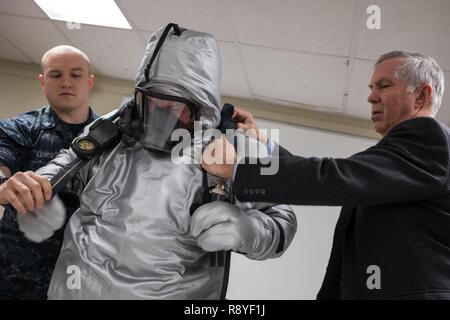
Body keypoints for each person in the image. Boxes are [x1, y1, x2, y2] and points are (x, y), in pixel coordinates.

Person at [25, 24, 296, 299]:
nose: (161, 112)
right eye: (153, 101)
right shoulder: (112, 129)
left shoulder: (231, 150)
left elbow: (281, 219)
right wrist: (41, 194)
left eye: (175, 105)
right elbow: (68, 164)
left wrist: (247, 231)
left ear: (202, 107)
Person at [202, 51, 450, 299]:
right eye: (372, 87)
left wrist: (238, 170)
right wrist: (264, 143)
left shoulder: (429, 137)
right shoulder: (402, 160)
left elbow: (334, 177)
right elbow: (339, 177)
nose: (371, 96)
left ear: (421, 95)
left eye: (384, 86)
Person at [0, 45, 97, 299]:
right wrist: (3, 183)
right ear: (43, 82)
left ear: (89, 81)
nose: (66, 82)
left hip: (82, 279)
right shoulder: (22, 129)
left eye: (75, 75)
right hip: (14, 277)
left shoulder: (113, 142)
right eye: (56, 75)